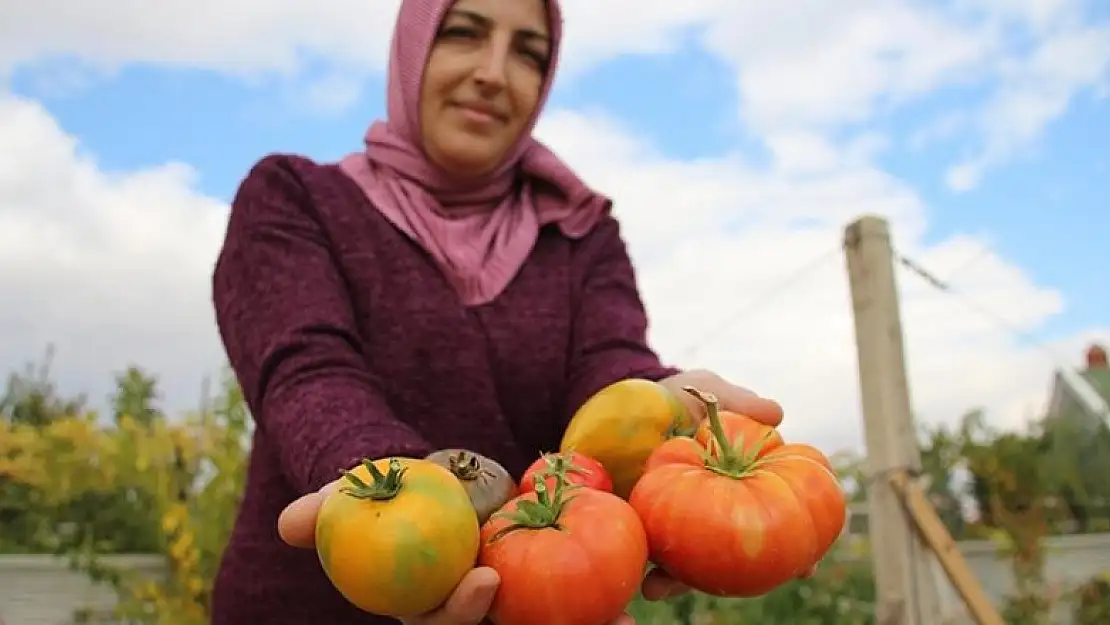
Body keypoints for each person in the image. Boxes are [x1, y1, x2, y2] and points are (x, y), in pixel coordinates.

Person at [208, 0, 785, 622]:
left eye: (527, 53)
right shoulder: (295, 198)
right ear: (412, 48)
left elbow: (608, 366)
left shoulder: (579, 232)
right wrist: (391, 485)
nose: (494, 72)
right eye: (463, 34)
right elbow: (307, 369)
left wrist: (661, 408)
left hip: (534, 599)